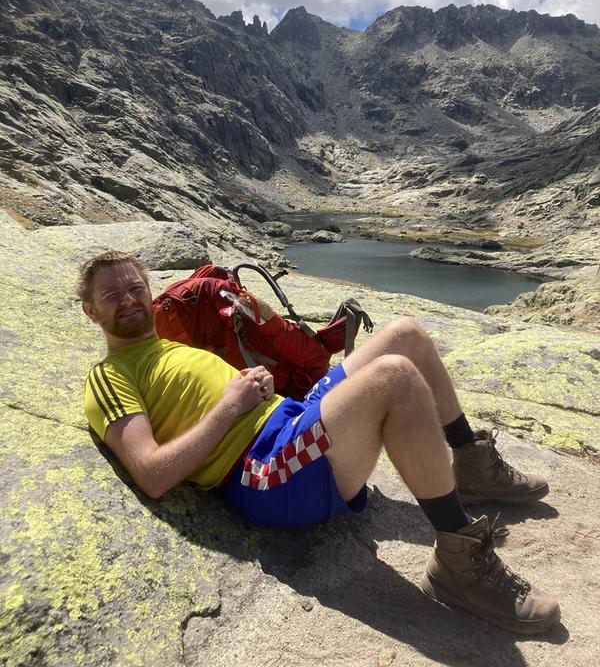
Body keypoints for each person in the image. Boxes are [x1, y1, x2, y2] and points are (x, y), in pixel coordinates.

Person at [79, 251, 560, 634]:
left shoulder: (169, 346)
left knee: (406, 334)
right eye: (111, 294)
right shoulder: (108, 375)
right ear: (89, 310)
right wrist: (230, 404)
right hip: (262, 470)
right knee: (395, 377)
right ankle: (458, 562)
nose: (128, 300)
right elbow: (153, 473)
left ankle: (470, 462)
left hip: (289, 422)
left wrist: (257, 386)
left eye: (135, 287)